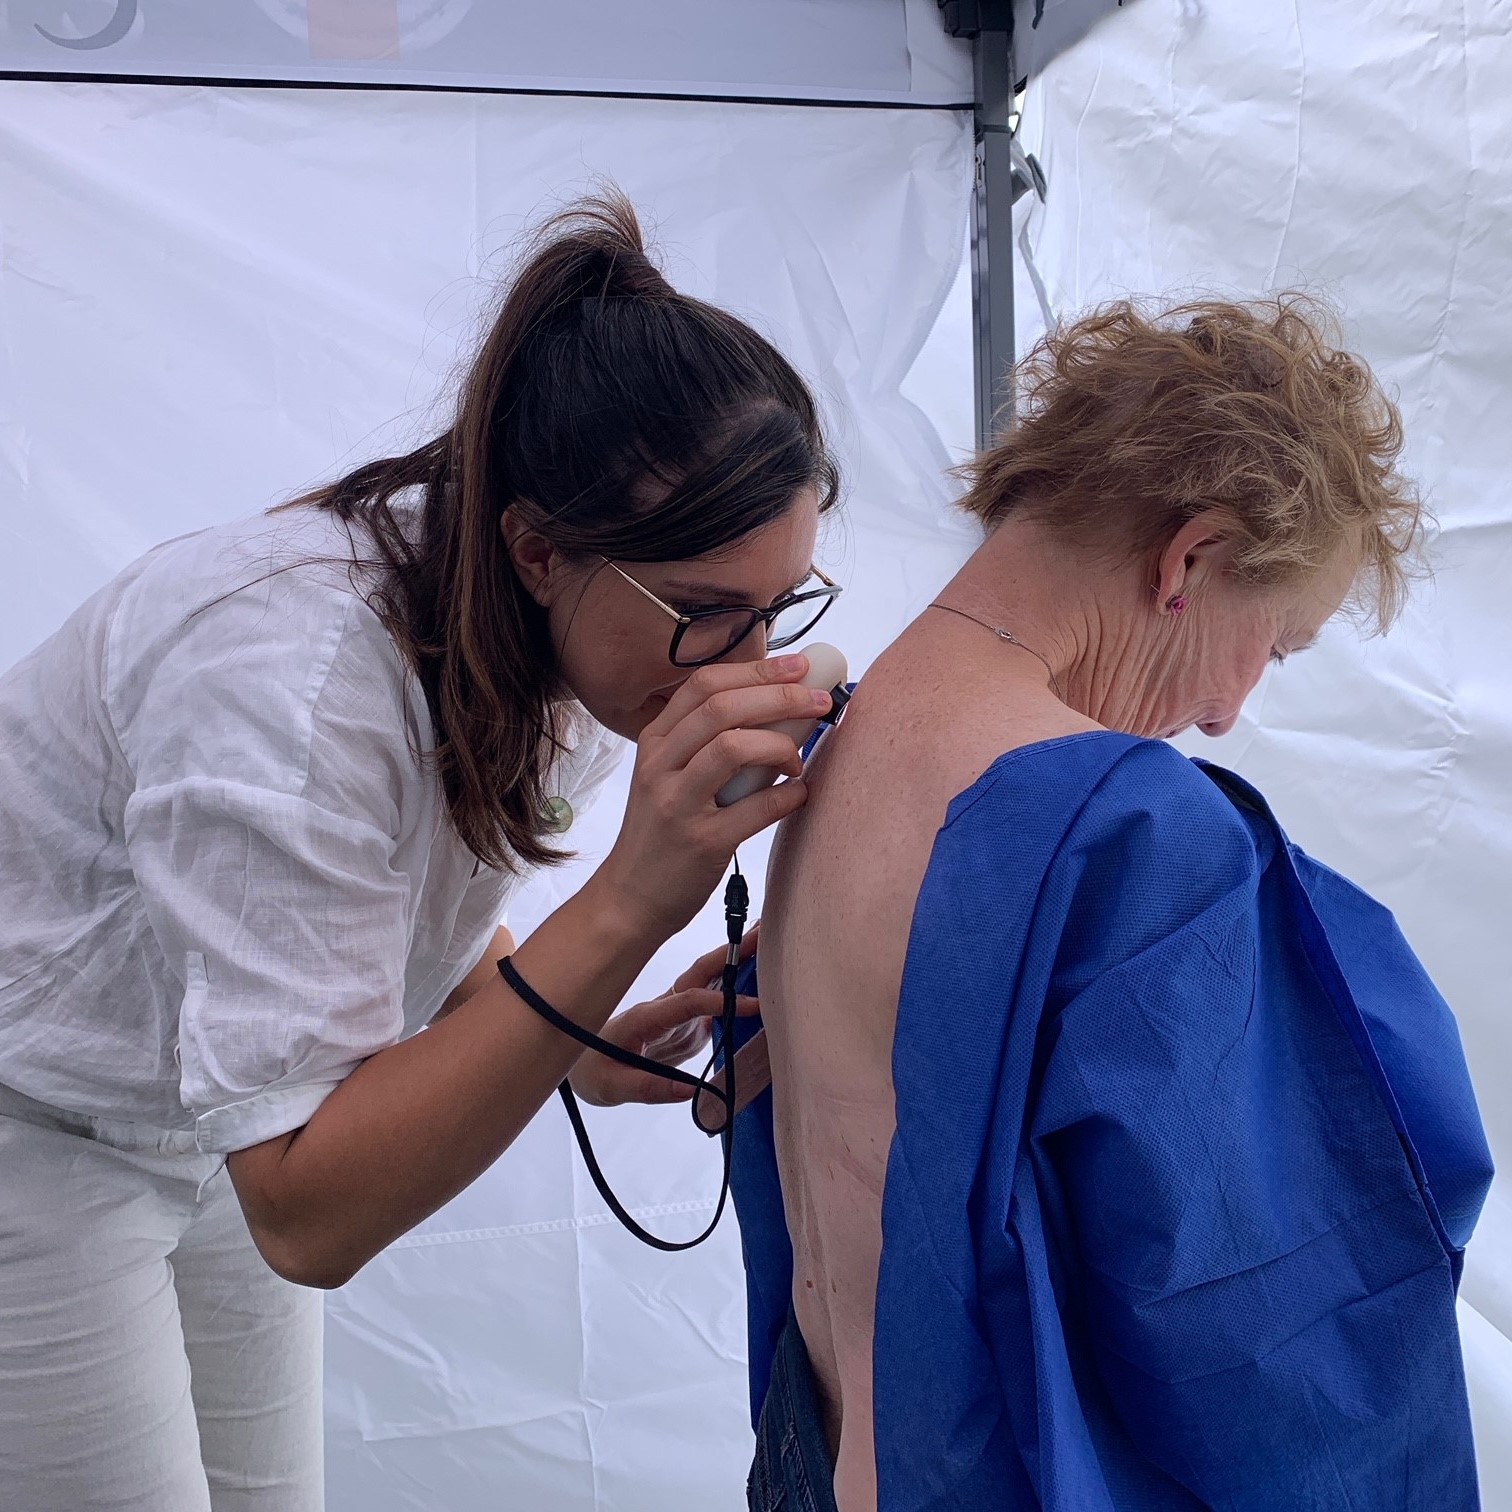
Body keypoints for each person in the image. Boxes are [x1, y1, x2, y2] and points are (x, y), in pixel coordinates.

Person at [0, 193, 844, 1512]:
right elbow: (308, 1218)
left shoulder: (561, 645)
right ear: (536, 547)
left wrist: (583, 1045)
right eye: (706, 615)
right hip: (35, 1125)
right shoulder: (284, 682)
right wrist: (629, 898)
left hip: (219, 1103)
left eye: (777, 609)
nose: (748, 665)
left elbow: (378, 908)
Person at [728, 297, 1494, 1511]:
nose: (1230, 713)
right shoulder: (1126, 833)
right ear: (1191, 558)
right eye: (1273, 643)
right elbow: (1271, 1321)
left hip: (809, 1461)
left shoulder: (829, 747)